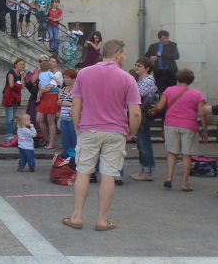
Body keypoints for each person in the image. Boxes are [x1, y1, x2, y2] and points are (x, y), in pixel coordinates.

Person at [63, 40, 140, 231]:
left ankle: (77, 216)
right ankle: (102, 220)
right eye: (124, 54)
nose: (125, 57)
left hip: (89, 128)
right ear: (117, 55)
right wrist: (132, 131)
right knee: (108, 174)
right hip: (115, 130)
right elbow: (135, 112)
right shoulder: (127, 78)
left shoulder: (84, 74)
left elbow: (76, 104)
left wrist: (77, 126)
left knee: (83, 171)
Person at [150, 69, 208, 192]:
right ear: (191, 80)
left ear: (178, 78)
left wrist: (154, 109)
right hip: (188, 125)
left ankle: (169, 177)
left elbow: (160, 107)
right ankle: (185, 183)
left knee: (172, 152)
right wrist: (204, 129)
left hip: (170, 124)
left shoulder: (169, 90)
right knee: (187, 155)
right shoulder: (197, 94)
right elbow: (202, 114)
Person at [130, 58, 156, 182]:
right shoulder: (141, 80)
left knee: (144, 143)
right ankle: (143, 169)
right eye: (136, 64)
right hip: (140, 114)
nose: (136, 67)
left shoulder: (148, 81)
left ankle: (147, 171)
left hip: (143, 115)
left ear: (147, 68)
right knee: (141, 144)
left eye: (139, 65)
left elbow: (135, 95)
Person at [144, 30, 180, 95]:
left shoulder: (172, 45)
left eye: (167, 38)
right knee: (161, 92)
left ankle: (170, 105)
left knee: (172, 92)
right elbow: (145, 57)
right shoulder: (153, 46)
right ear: (159, 38)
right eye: (164, 38)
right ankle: (162, 104)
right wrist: (151, 59)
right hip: (159, 73)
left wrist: (161, 54)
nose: (166, 40)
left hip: (170, 73)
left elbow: (176, 56)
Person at [36, 60, 60, 149]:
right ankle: (46, 137)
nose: (51, 63)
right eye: (50, 61)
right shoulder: (45, 73)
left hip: (51, 96)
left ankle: (51, 142)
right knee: (39, 119)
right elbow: (39, 82)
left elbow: (53, 84)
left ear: (57, 64)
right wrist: (41, 88)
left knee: (50, 120)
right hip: (44, 97)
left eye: (53, 61)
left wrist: (43, 89)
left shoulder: (58, 73)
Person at [2, 59, 25, 142]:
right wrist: (19, 85)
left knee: (13, 116)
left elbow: (23, 86)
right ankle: (9, 134)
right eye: (20, 64)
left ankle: (10, 133)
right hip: (9, 96)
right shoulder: (11, 72)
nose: (22, 66)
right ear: (15, 64)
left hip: (16, 96)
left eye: (23, 64)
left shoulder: (21, 74)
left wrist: (22, 77)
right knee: (9, 116)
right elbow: (11, 85)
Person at [57, 70, 78, 154]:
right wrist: (59, 103)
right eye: (64, 78)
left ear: (73, 79)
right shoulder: (64, 88)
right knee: (65, 139)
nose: (65, 80)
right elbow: (60, 100)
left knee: (73, 138)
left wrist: (69, 104)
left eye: (67, 78)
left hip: (72, 118)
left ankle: (75, 157)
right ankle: (68, 156)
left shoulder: (77, 89)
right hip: (63, 117)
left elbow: (82, 104)